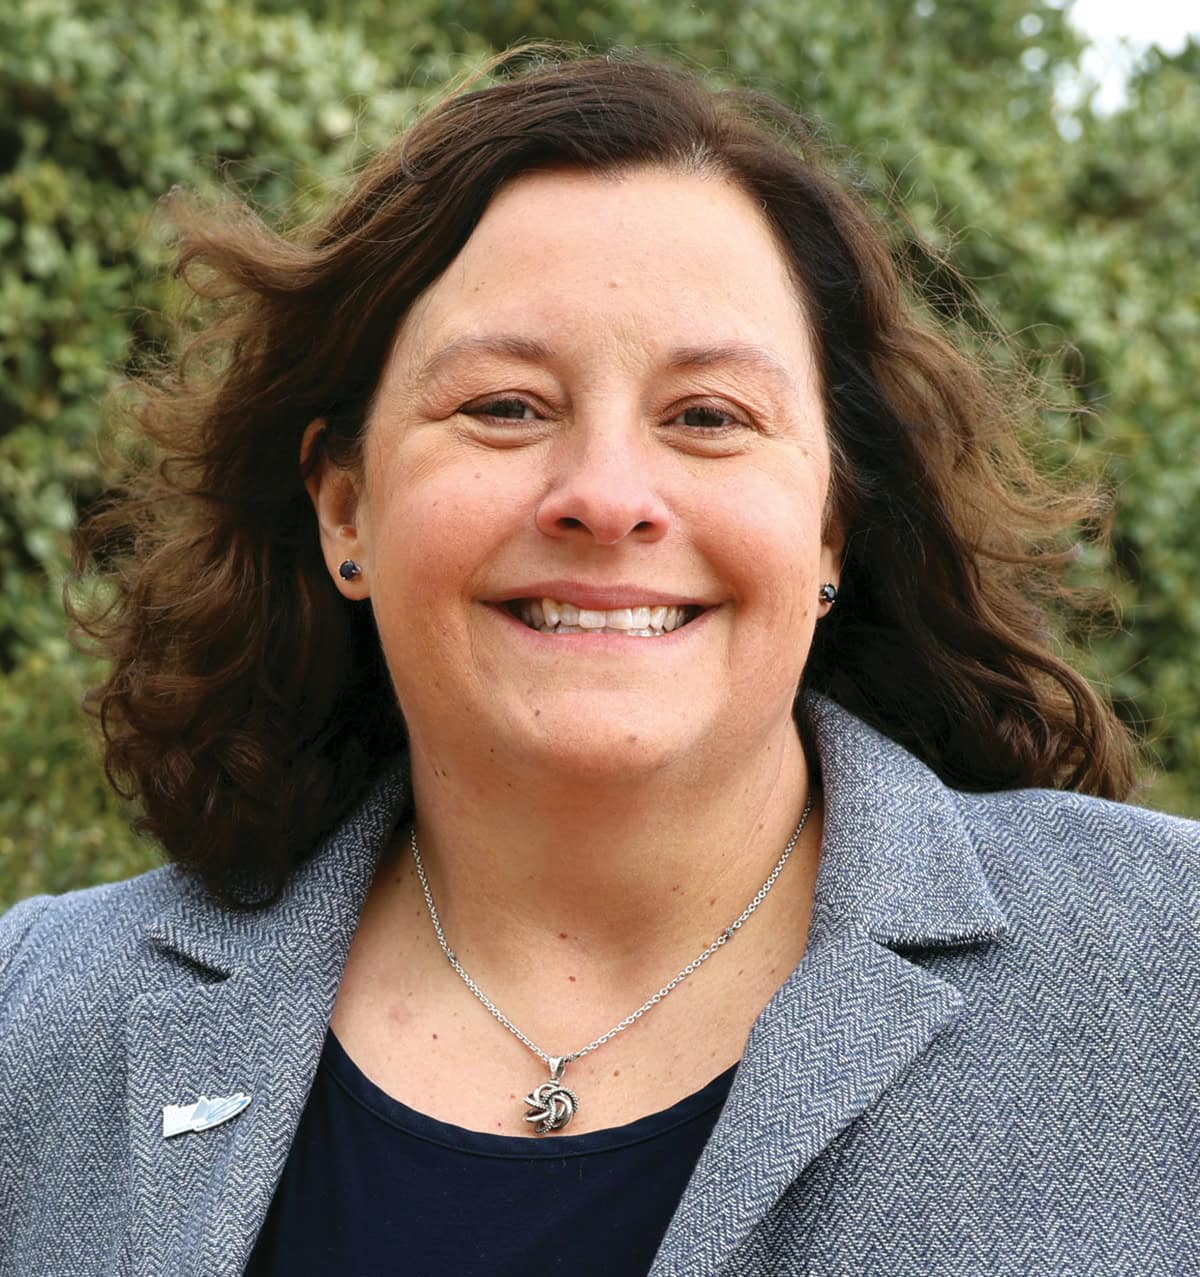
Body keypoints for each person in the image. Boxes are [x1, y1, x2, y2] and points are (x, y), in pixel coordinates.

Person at [1, 49, 1197, 1277]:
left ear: (831, 522)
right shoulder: (33, 1023)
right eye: (507, 405)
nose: (608, 498)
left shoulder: (1173, 969)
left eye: (709, 417)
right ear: (345, 507)